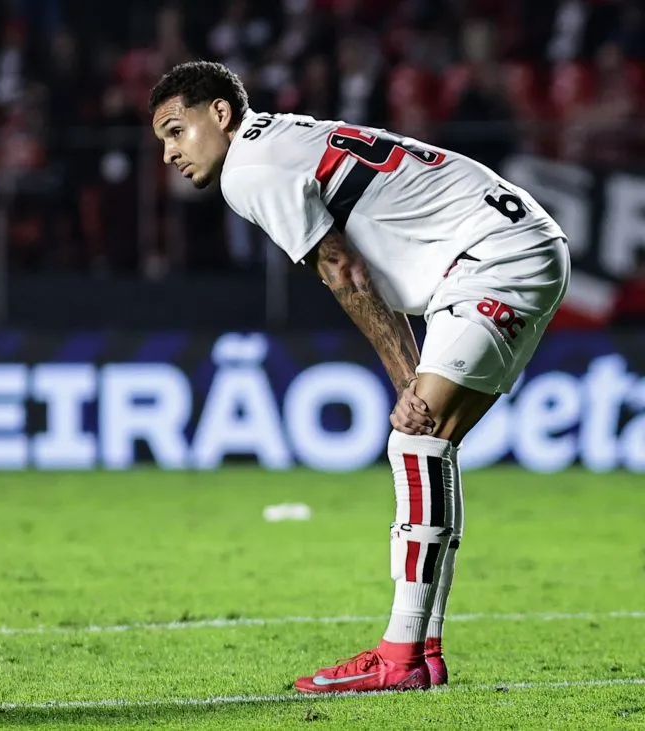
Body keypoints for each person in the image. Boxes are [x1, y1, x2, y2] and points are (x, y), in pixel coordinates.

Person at [148, 61, 569, 694]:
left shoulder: (251, 170)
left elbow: (342, 269)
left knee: (415, 438)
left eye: (176, 131)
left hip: (494, 255)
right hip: (516, 243)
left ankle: (399, 656)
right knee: (429, 443)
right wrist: (410, 380)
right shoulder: (282, 139)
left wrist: (406, 382)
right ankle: (421, 650)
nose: (169, 153)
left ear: (221, 114)